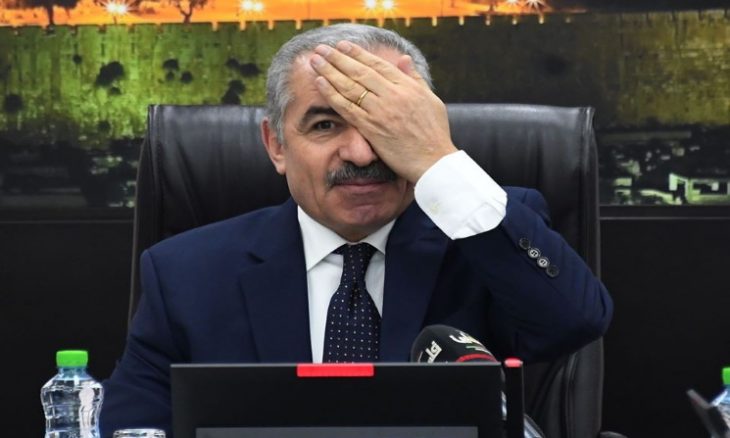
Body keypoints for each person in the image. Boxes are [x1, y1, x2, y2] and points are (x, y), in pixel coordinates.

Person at [100, 23, 613, 436]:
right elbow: (131, 428)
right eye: (325, 125)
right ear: (276, 145)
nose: (362, 153)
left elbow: (575, 322)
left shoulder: (484, 236)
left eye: (384, 125)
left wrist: (438, 160)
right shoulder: (186, 274)